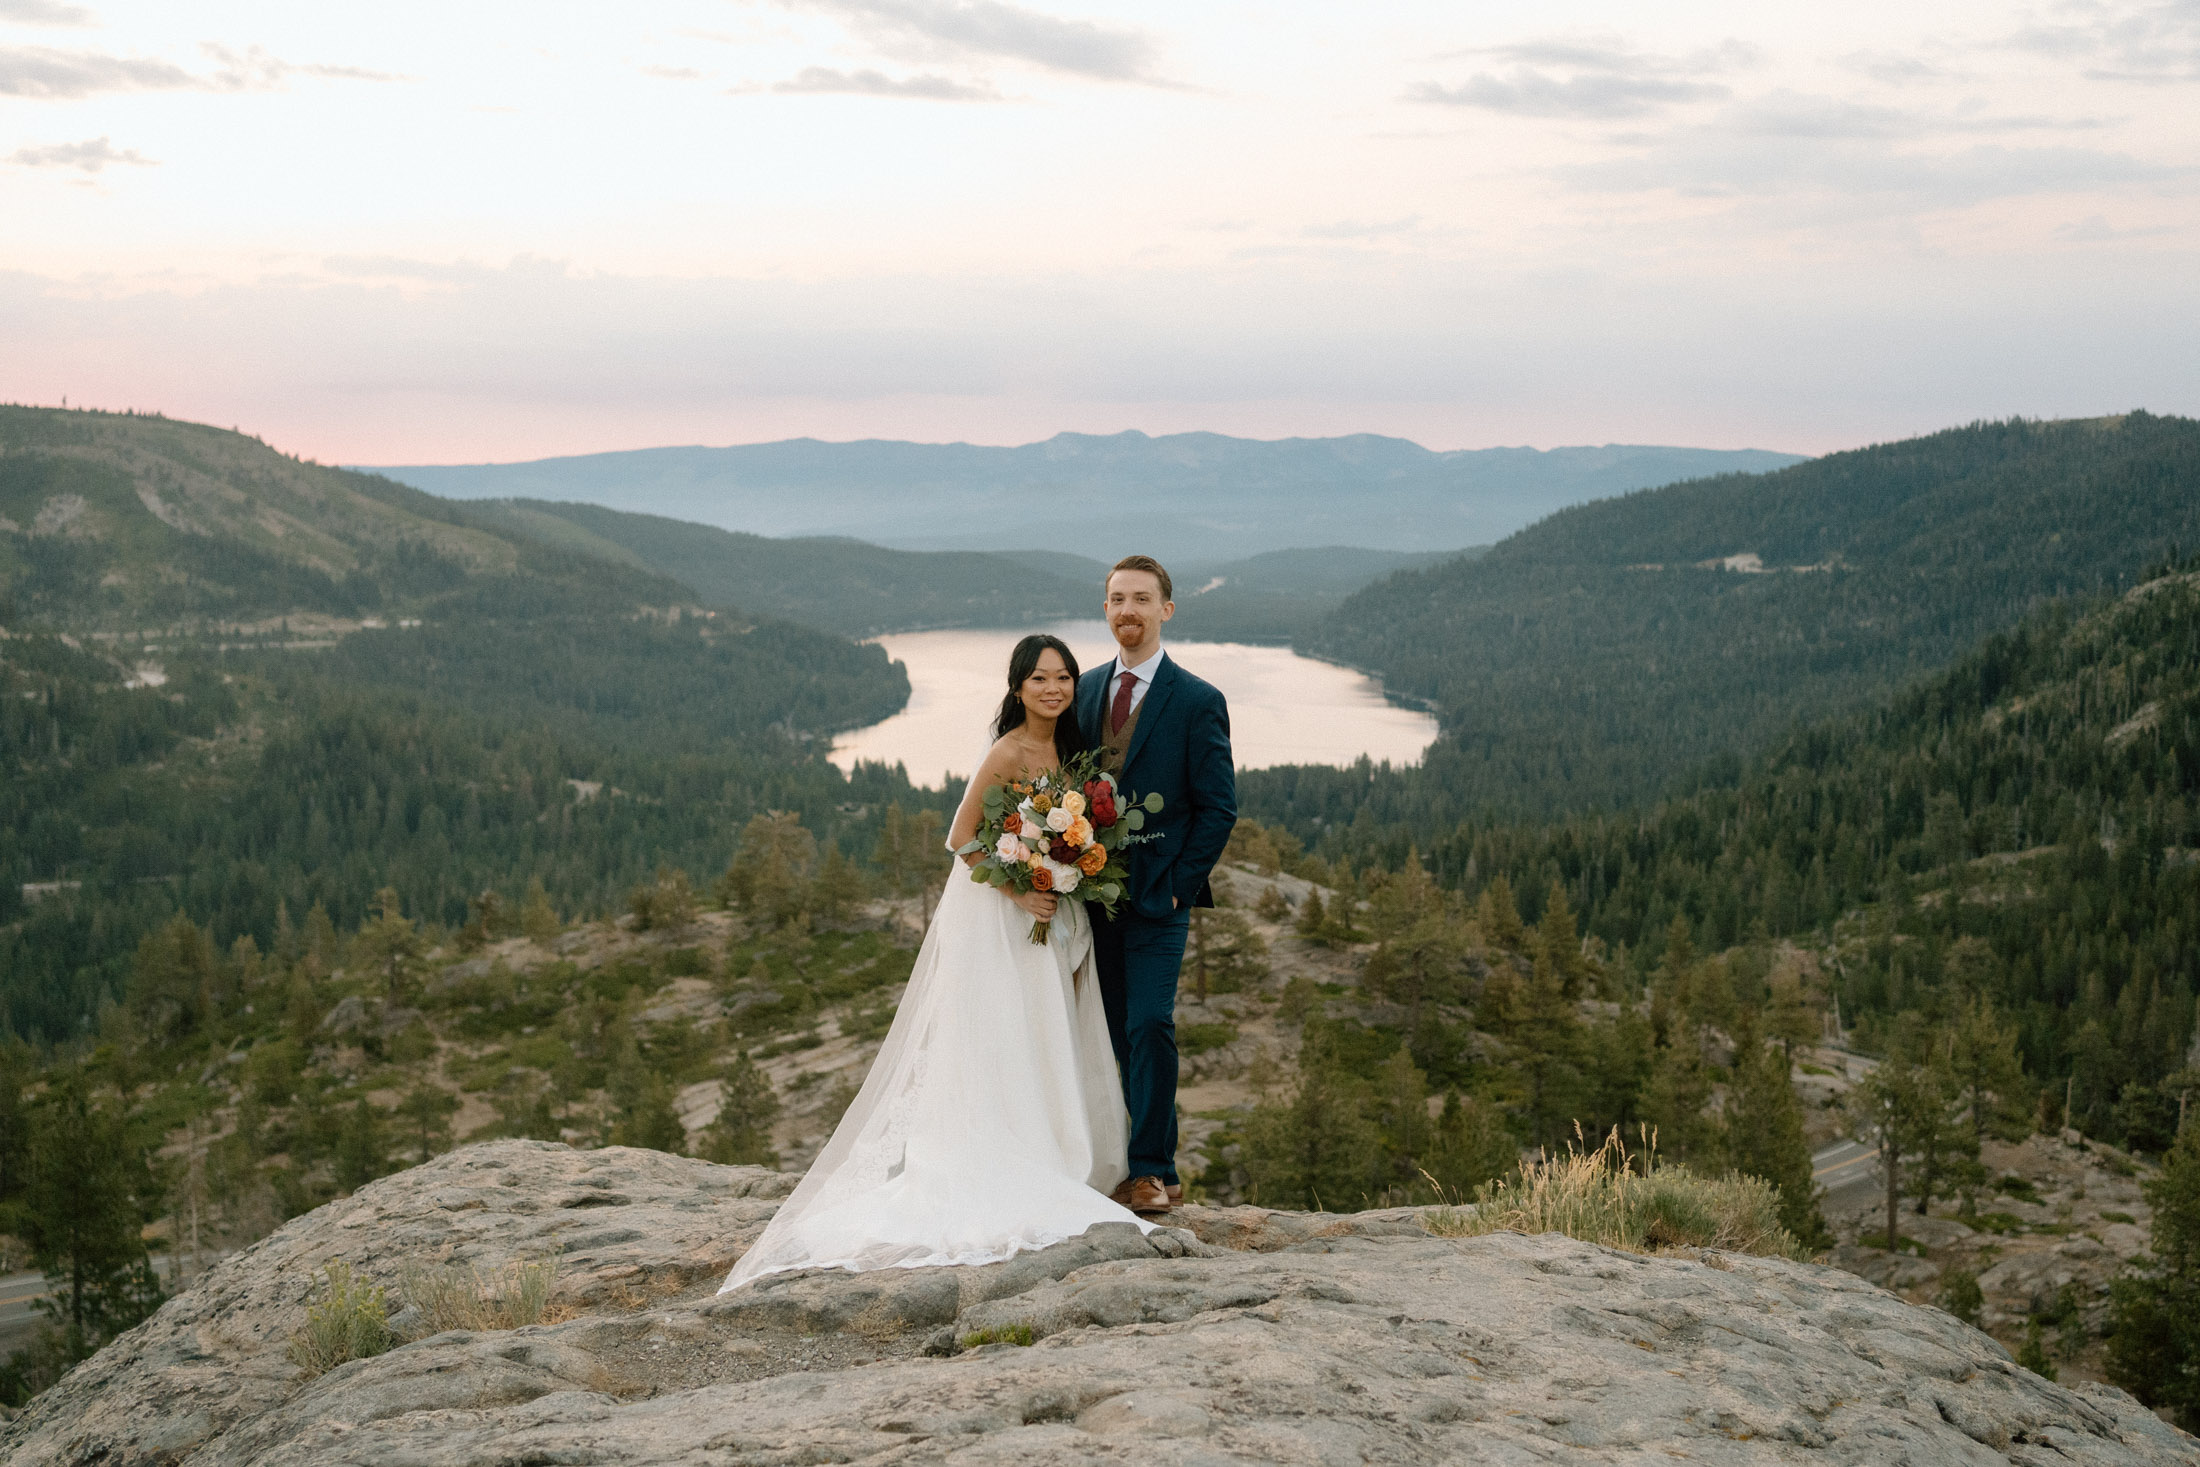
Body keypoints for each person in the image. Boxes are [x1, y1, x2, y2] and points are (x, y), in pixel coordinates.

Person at [719, 634, 1146, 1292]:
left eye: (1063, 677)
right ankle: (1016, 1152)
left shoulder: (1071, 751)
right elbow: (963, 839)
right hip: (1013, 917)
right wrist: (1022, 888)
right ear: (1018, 688)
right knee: (1013, 1030)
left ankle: (1063, 1150)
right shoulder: (1007, 751)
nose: (1054, 688)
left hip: (1058, 914)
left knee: (1048, 1031)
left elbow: (1076, 829)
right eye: (1039, 679)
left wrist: (1068, 870)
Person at [1076, 555, 1238, 1216]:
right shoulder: (1084, 691)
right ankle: (1153, 1167)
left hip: (1158, 898)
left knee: (1150, 1023)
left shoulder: (1198, 700)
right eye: (1117, 599)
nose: (1128, 611)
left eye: (1141, 599)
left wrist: (1177, 886)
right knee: (1113, 1034)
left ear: (1166, 609)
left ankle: (1148, 1170)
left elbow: (1218, 807)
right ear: (1106, 609)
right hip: (1089, 897)